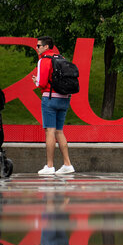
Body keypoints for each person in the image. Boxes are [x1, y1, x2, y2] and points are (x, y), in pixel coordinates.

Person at [33, 36, 75, 175]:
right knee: (59, 131)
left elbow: (43, 83)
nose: (37, 48)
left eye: (39, 45)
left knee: (49, 131)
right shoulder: (60, 58)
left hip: (50, 99)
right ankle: (67, 164)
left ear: (46, 47)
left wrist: (36, 82)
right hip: (64, 98)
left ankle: (50, 166)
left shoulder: (44, 60)